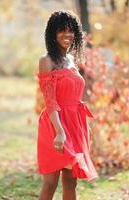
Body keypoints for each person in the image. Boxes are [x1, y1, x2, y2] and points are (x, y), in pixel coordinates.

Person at [36, 10, 99, 200]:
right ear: (53, 34)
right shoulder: (46, 61)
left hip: (75, 125)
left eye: (71, 31)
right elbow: (50, 102)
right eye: (62, 31)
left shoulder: (72, 60)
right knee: (50, 184)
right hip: (55, 125)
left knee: (71, 182)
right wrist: (60, 131)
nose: (67, 35)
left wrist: (83, 127)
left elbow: (75, 95)